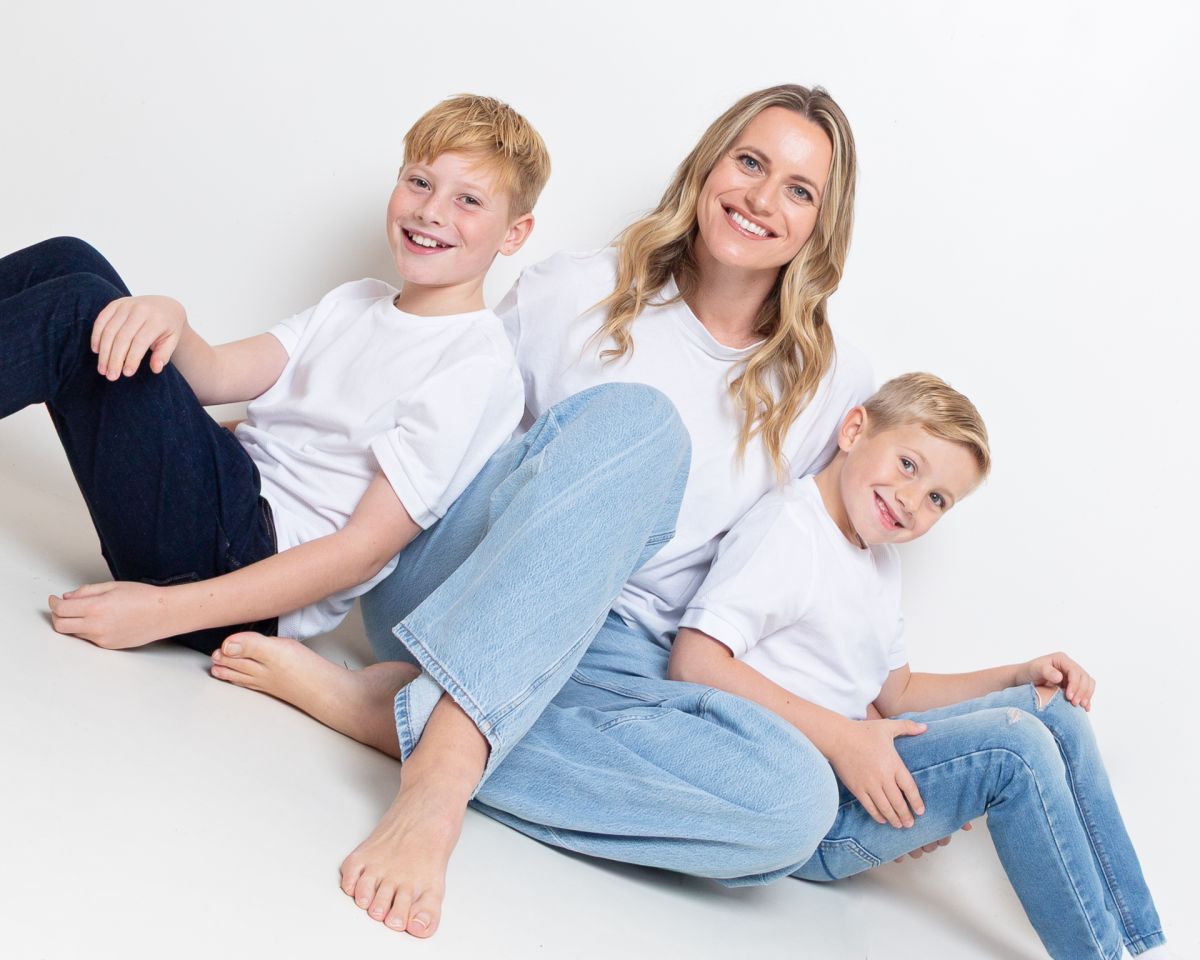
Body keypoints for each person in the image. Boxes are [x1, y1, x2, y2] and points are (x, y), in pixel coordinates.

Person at [210, 83, 883, 938]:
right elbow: (430, 399)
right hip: (461, 586)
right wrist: (264, 434)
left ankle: (390, 713)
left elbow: (807, 558)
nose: (761, 198)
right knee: (642, 427)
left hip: (616, 654)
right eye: (749, 162)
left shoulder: (831, 383)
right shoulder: (577, 287)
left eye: (799, 189)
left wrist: (870, 704)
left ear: (822, 224)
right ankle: (440, 778)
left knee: (793, 806)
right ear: (709, 165)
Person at [0, 94, 548, 656]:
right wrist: (173, 320)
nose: (431, 212)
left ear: (514, 233)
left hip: (244, 566)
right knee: (71, 260)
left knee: (80, 308)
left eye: (469, 200)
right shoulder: (354, 303)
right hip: (222, 492)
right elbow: (215, 378)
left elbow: (362, 552)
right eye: (420, 182)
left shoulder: (475, 364)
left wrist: (158, 614)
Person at [669, 373, 1167, 960]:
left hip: (866, 763)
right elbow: (694, 661)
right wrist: (844, 738)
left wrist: (1017, 675)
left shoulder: (877, 563)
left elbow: (898, 693)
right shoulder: (790, 529)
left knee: (1052, 711)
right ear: (854, 430)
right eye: (908, 464)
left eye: (937, 499)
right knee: (1015, 750)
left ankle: (1137, 944)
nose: (910, 500)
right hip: (818, 804)